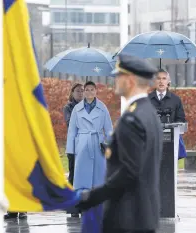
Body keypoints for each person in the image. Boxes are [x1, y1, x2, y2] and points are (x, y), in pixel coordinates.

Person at [77, 54, 163, 233]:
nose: (115, 79)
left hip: (127, 217)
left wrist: (91, 197)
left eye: (119, 76)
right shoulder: (148, 113)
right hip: (143, 215)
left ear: (130, 80)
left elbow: (129, 171)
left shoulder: (132, 118)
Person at [66, 81, 113, 218]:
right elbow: (72, 131)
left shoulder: (102, 107)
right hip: (82, 145)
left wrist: (111, 147)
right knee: (81, 178)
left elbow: (109, 129)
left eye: (92, 89)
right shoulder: (77, 109)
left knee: (99, 177)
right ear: (84, 91)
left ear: (96, 91)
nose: (89, 92)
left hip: (97, 145)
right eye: (87, 89)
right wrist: (71, 150)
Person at [148, 68, 187, 159]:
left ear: (168, 82)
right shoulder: (147, 99)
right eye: (158, 78)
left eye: (164, 78)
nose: (161, 81)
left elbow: (181, 120)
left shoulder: (176, 100)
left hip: (171, 143)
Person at [63, 82, 84, 217]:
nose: (81, 93)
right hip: (73, 147)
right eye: (78, 91)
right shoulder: (68, 107)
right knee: (73, 176)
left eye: (82, 91)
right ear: (72, 93)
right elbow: (70, 123)